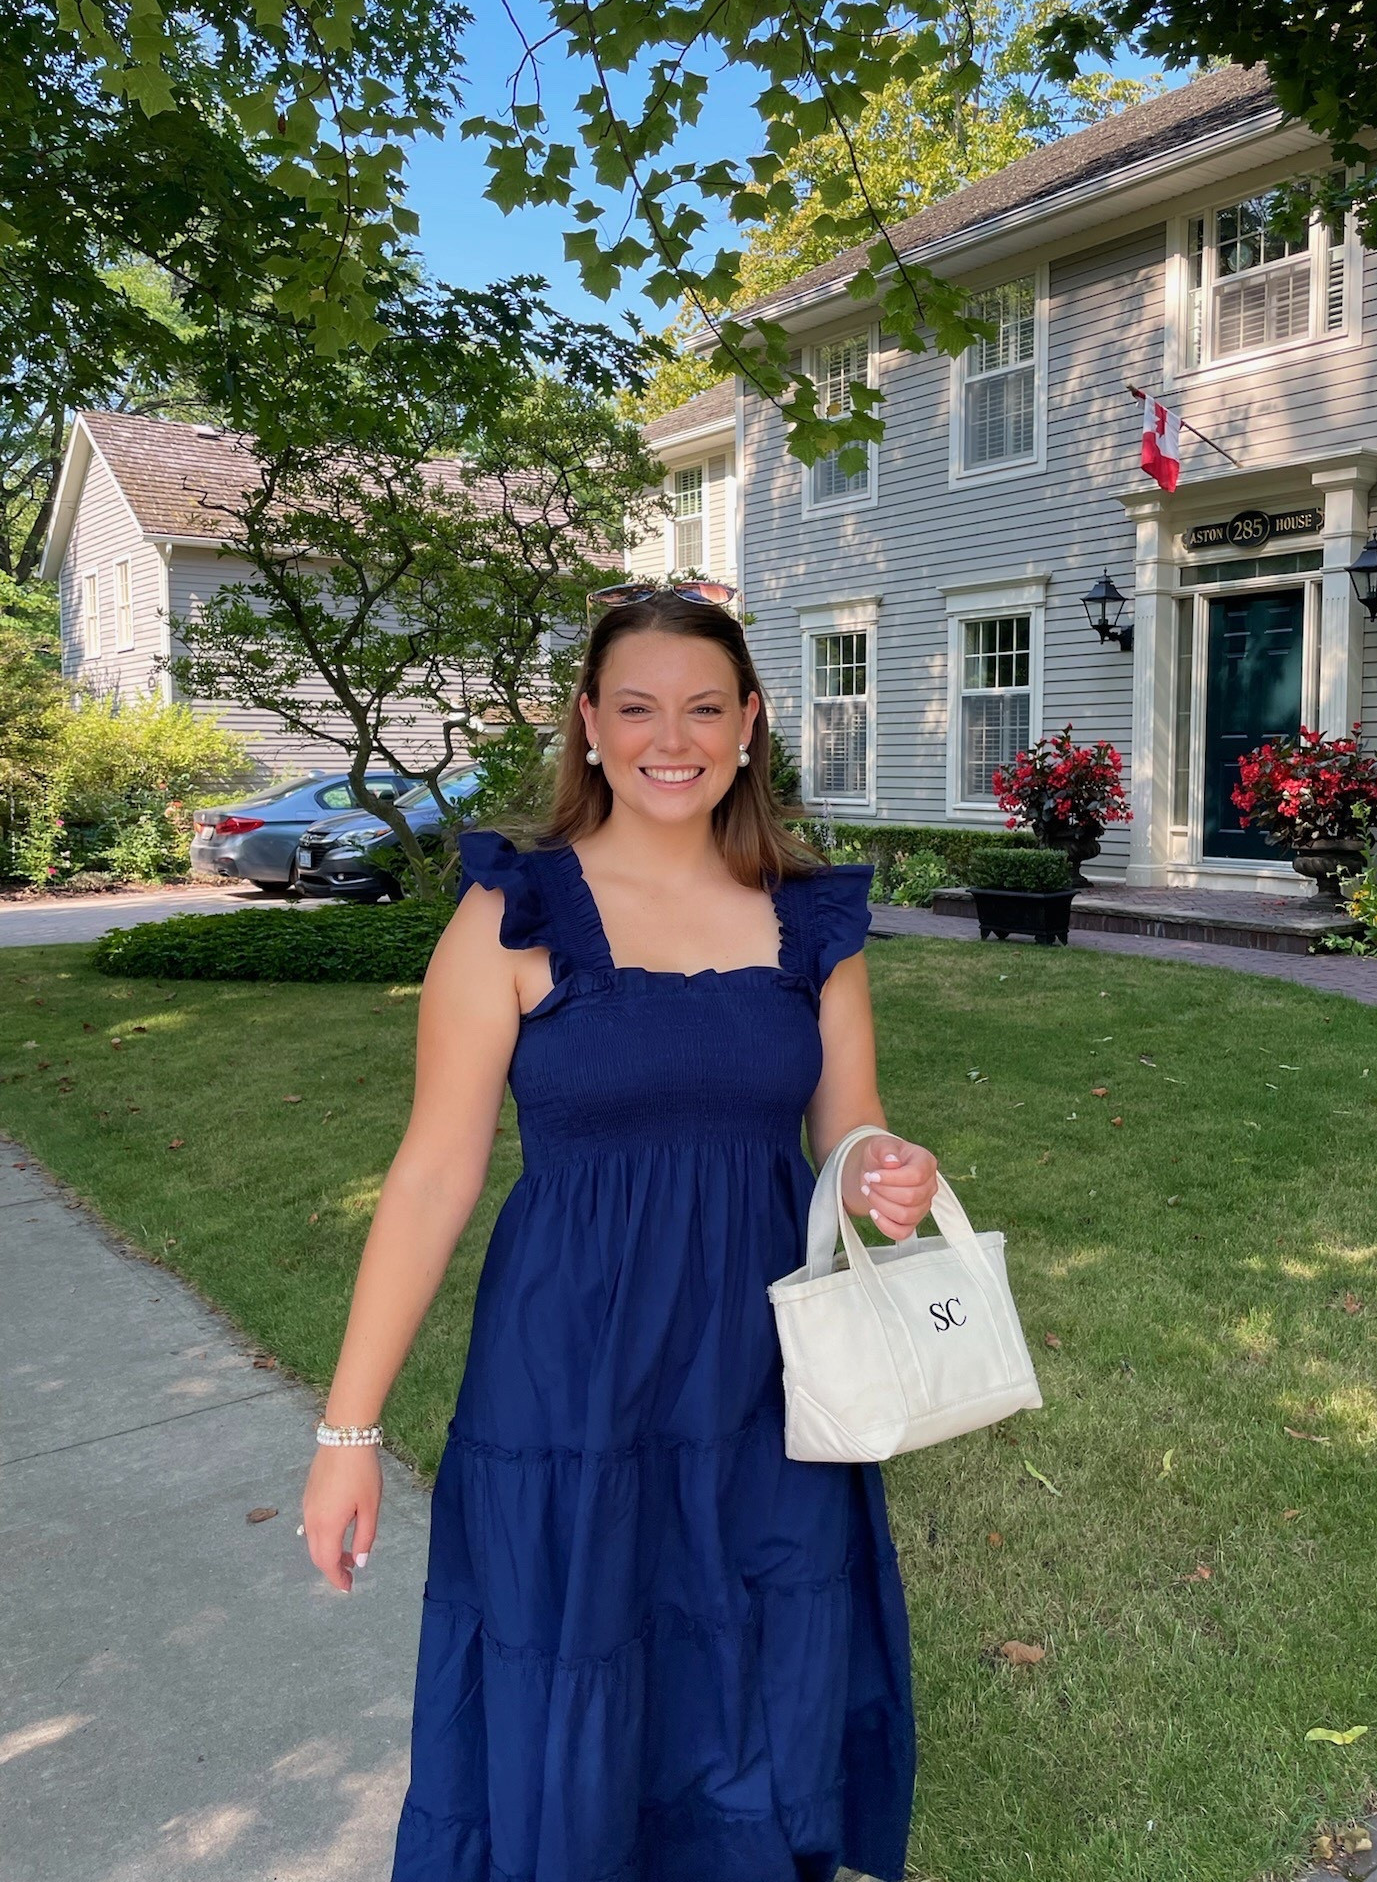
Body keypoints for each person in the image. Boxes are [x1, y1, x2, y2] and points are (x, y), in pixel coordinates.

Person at [301, 581, 938, 1882]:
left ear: (750, 723)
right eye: (638, 707)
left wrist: (887, 1170)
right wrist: (347, 1433)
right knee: (575, 1658)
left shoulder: (812, 920)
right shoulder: (513, 913)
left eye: (705, 708)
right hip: (572, 1376)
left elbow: (850, 1127)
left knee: (752, 1662)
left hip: (765, 1378)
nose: (672, 739)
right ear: (589, 724)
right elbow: (431, 1176)